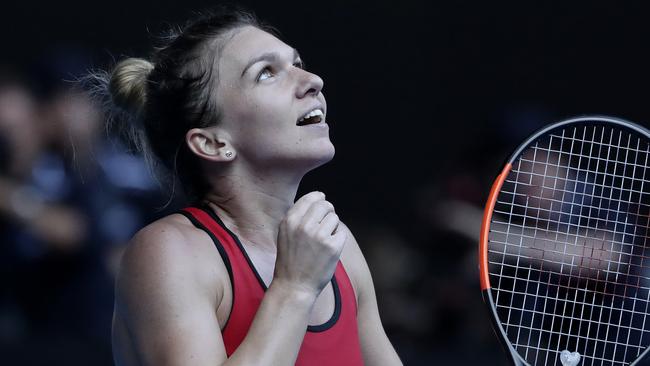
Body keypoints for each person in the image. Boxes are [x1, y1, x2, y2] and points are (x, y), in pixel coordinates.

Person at [94, 7, 403, 366]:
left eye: (297, 63)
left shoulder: (338, 245)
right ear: (212, 143)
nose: (312, 80)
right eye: (266, 73)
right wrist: (295, 288)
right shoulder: (169, 252)